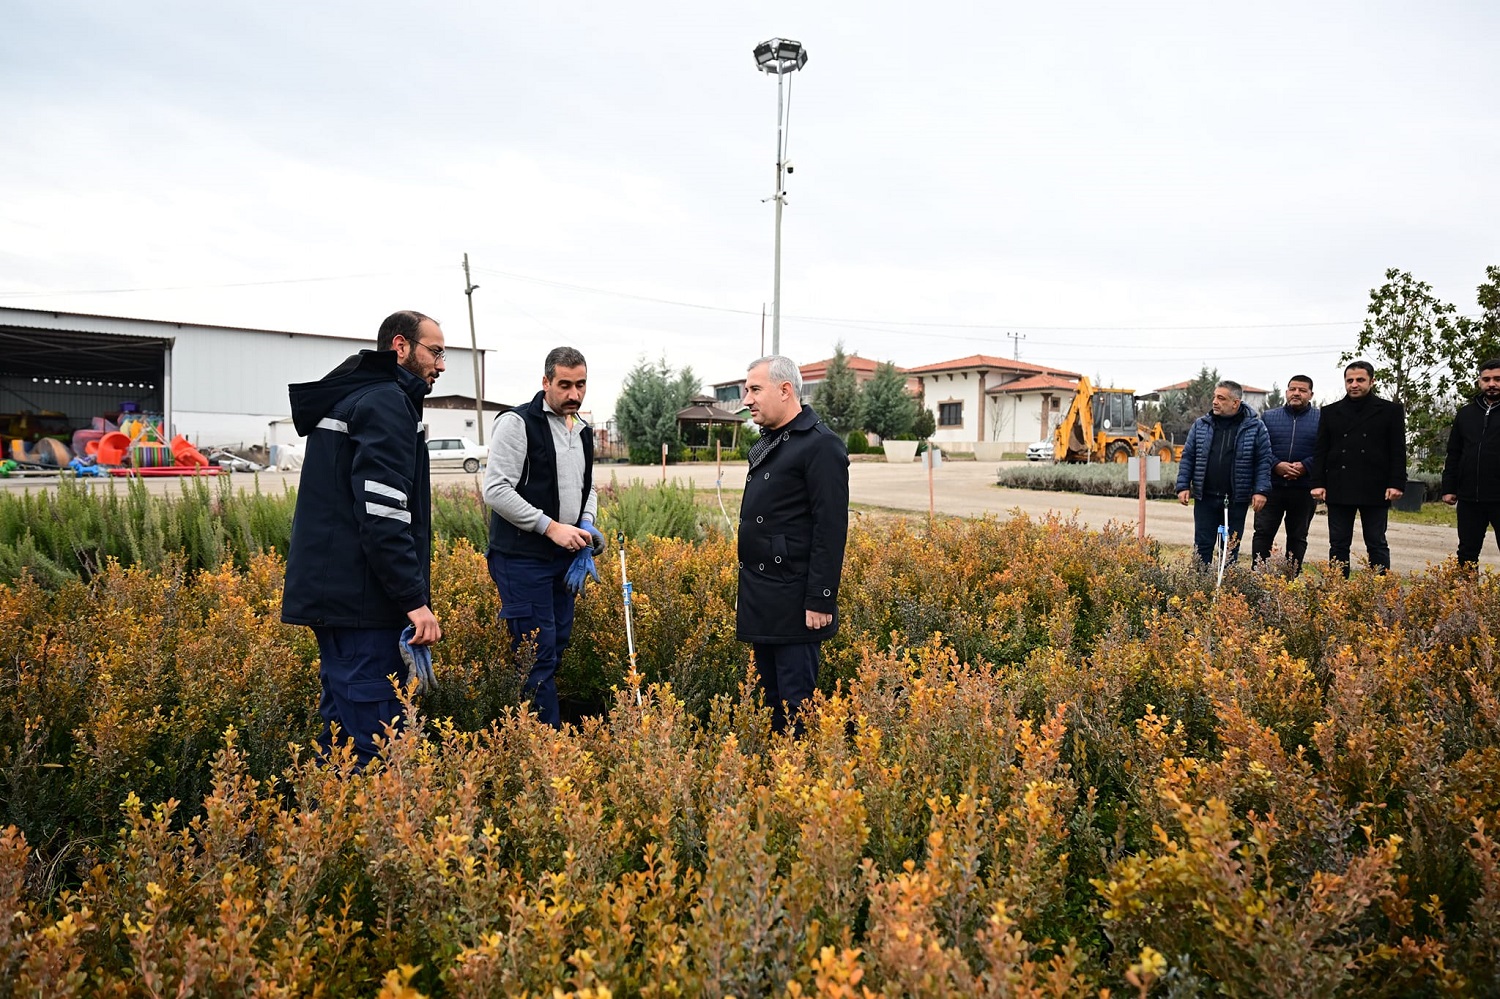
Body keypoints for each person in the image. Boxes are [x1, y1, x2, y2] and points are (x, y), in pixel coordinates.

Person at [282, 310, 444, 767]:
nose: (441, 363)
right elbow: (383, 514)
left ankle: (322, 830)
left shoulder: (359, 396)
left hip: (340, 599)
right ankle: (369, 835)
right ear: (400, 346)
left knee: (339, 734)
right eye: (435, 351)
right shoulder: (385, 403)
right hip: (362, 605)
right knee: (377, 742)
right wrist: (414, 601)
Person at [483, 347, 599, 728]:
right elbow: (497, 490)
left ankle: (540, 736)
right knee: (535, 654)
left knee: (556, 645)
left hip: (564, 558)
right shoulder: (517, 424)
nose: (574, 394)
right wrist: (551, 527)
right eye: (564, 385)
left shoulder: (581, 428)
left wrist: (585, 522)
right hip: (522, 558)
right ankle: (543, 748)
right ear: (546, 382)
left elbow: (588, 487)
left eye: (580, 385)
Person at [736, 355, 849, 734]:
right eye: (746, 389)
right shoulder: (775, 442)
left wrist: (821, 597)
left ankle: (799, 779)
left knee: (797, 703)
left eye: (754, 389)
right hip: (765, 595)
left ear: (785, 390)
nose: (746, 399)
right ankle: (777, 780)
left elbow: (830, 529)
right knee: (771, 702)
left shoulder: (820, 446)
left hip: (796, 599)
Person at [1309, 361, 1407, 575]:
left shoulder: (1390, 411)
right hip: (1339, 485)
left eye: (1360, 380)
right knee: (1338, 544)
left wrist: (1396, 482)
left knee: (1376, 542)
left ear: (1372, 381)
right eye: (1350, 380)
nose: (1354, 384)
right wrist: (1317, 483)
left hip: (1376, 486)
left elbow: (1398, 450)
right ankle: (1337, 591)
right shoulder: (1330, 411)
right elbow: (1321, 450)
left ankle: (1381, 591)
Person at [1175, 380, 1272, 567]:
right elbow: (1188, 456)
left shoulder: (1255, 428)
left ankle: (1226, 589)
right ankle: (1199, 588)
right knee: (1202, 546)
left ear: (1235, 403)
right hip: (1206, 498)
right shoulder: (1201, 425)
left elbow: (1263, 460)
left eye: (1221, 398)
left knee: (1229, 549)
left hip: (1236, 500)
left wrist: (1261, 490)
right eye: (1214, 396)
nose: (1215, 401)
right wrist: (1183, 485)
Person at [1251, 375, 1321, 572]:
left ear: (1311, 394)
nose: (1296, 393)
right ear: (1286, 392)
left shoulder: (1321, 419)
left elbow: (1325, 451)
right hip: (1271, 488)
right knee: (1263, 533)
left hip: (1304, 489)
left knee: (1298, 537)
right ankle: (1258, 576)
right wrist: (1277, 465)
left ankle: (1290, 579)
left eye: (1302, 390)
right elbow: (1260, 448)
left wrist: (1305, 466)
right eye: (1292, 389)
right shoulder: (1269, 417)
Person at [1440, 358, 1500, 565]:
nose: (1491, 384)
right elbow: (1454, 453)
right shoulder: (1466, 414)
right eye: (1487, 379)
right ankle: (1467, 597)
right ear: (1479, 382)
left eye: (1497, 379)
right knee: (1467, 553)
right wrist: (1449, 487)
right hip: (1469, 498)